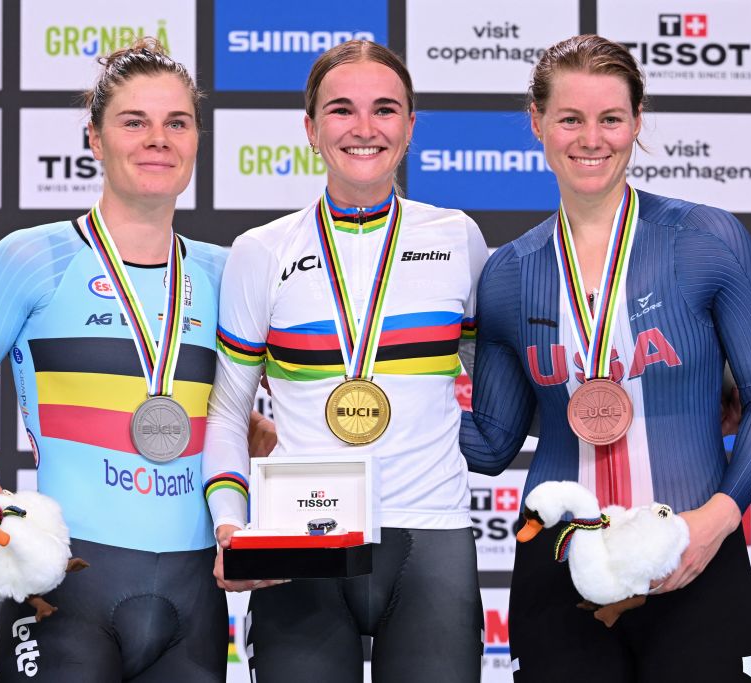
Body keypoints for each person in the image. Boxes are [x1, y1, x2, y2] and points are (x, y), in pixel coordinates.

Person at [0, 38, 256, 682]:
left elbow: (242, 424)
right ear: (96, 140)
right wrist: (5, 524)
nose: (157, 139)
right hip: (67, 584)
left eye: (176, 123)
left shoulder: (228, 272)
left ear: (195, 141)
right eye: (134, 122)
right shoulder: (32, 257)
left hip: (195, 592)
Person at [460, 35, 751, 682]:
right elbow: (493, 445)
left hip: (695, 550)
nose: (592, 138)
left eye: (611, 119)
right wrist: (390, 389)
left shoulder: (706, 240)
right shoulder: (506, 275)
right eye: (570, 119)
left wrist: (717, 518)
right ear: (538, 123)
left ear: (637, 123)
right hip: (561, 568)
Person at [203, 40, 488, 682]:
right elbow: (226, 413)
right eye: (341, 111)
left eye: (385, 110)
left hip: (429, 533)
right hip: (301, 537)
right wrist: (229, 524)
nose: (364, 129)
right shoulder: (261, 250)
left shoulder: (457, 238)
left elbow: (492, 384)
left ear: (410, 126)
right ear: (310, 129)